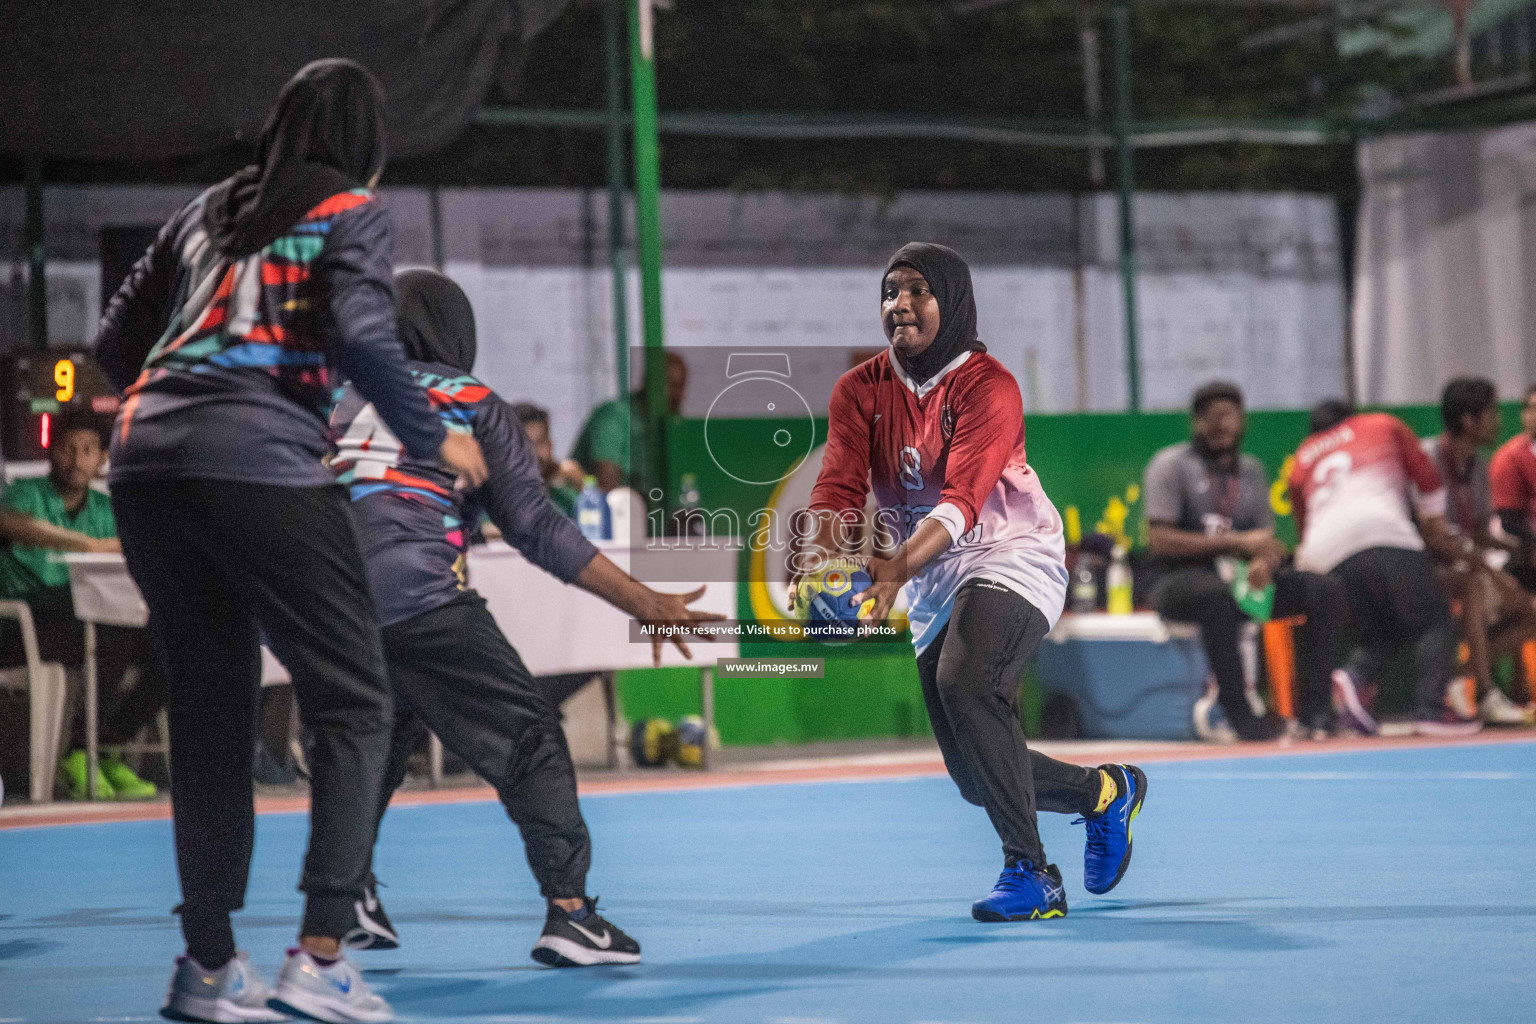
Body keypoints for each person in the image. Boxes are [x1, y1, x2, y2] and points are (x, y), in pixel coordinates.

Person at [94, 60, 488, 1024]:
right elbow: (363, 331)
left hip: (143, 465)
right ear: (367, 141)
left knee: (212, 709)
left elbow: (110, 348)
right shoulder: (348, 208)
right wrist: (437, 434)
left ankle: (208, 968)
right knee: (356, 698)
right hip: (258, 463)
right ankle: (319, 957)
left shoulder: (202, 212)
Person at [331, 269, 721, 966]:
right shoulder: (472, 400)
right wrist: (647, 603)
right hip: (418, 597)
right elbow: (537, 527)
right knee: (529, 739)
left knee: (382, 730)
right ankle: (570, 914)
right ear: (456, 330)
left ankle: (345, 888)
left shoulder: (332, 396)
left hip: (324, 608)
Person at [804, 242, 1147, 923]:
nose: (900, 304)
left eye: (918, 292)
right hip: (934, 577)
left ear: (952, 303)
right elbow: (837, 489)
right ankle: (1105, 793)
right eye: (891, 291)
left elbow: (962, 500)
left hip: (1012, 554)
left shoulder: (989, 385)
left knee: (968, 681)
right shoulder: (859, 391)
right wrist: (825, 564)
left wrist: (894, 568)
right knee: (972, 775)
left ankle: (1033, 876)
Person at [1143, 382, 1357, 741]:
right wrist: (1237, 542)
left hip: (1244, 581)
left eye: (1228, 416)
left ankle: (1316, 713)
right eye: (1210, 418)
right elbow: (1160, 540)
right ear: (1194, 423)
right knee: (1220, 597)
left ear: (1243, 421)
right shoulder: (1170, 465)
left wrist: (1265, 563)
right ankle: (1239, 714)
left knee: (1323, 590)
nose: (1220, 425)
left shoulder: (1252, 470)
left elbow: (1267, 541)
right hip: (1179, 581)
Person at [0, 411, 164, 799]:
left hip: (86, 622)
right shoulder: (24, 494)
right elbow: (9, 523)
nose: (77, 459)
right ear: (51, 452)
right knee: (107, 632)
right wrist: (87, 546)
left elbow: (140, 542)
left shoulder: (107, 509)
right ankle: (79, 752)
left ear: (102, 458)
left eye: (88, 450)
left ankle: (105, 747)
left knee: (168, 644)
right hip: (22, 626)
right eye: (68, 448)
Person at [1288, 400, 1477, 736]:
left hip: (1324, 553)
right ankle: (1431, 710)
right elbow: (1427, 476)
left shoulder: (1302, 456)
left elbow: (1304, 528)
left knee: (1383, 630)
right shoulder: (1380, 424)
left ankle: (1354, 676)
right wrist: (1434, 526)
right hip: (1381, 531)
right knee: (1435, 619)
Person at [1423, 378, 1536, 724]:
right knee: (1476, 583)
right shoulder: (1428, 458)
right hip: (1421, 566)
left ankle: (1458, 677)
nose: (1499, 420)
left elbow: (1479, 534)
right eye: (1492, 413)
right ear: (1469, 421)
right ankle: (1486, 694)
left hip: (1462, 564)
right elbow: (1436, 538)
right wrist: (1497, 576)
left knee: (1530, 611)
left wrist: (1519, 549)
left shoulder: (1478, 465)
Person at [570, 350, 687, 492]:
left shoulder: (670, 422)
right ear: (647, 383)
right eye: (669, 385)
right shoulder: (614, 418)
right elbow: (609, 490)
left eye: (680, 386)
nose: (676, 395)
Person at [1490, 382, 1536, 594]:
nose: (1532, 414)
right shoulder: (1510, 457)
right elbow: (1510, 522)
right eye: (1529, 407)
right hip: (1525, 551)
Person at [512, 402, 584, 518]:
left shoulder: (564, 492)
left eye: (540, 442)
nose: (534, 453)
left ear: (550, 444)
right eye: (525, 445)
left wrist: (584, 487)